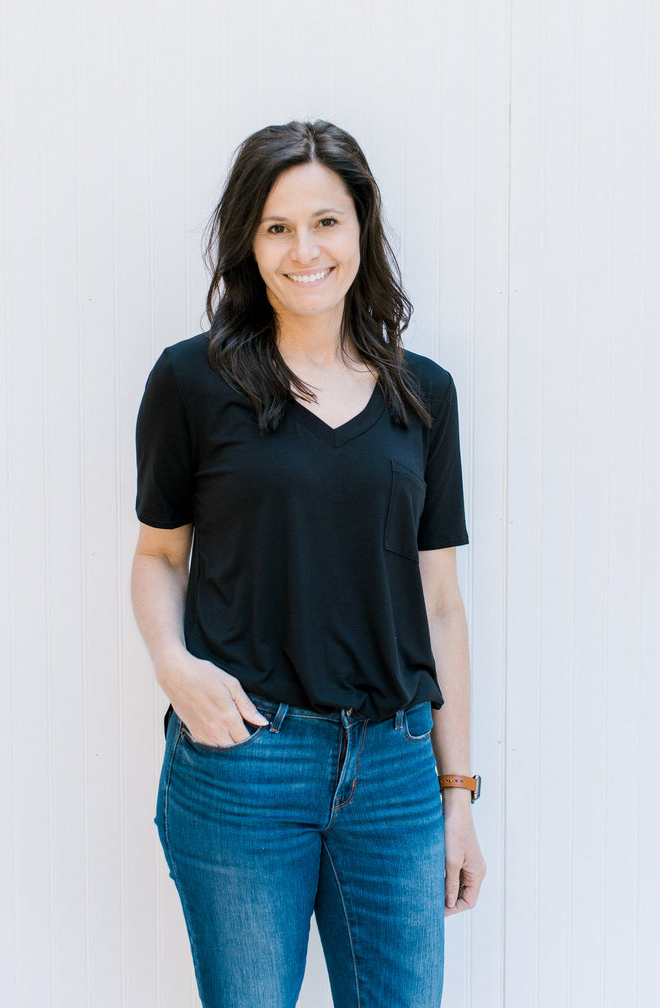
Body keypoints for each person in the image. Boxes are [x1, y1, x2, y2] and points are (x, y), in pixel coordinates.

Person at [131, 119, 485, 1008]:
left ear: (362, 227)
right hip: (246, 761)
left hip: (397, 772)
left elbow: (440, 603)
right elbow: (158, 556)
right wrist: (175, 668)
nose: (305, 251)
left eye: (327, 222)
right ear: (248, 243)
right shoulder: (190, 382)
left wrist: (457, 796)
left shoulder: (424, 394)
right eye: (277, 228)